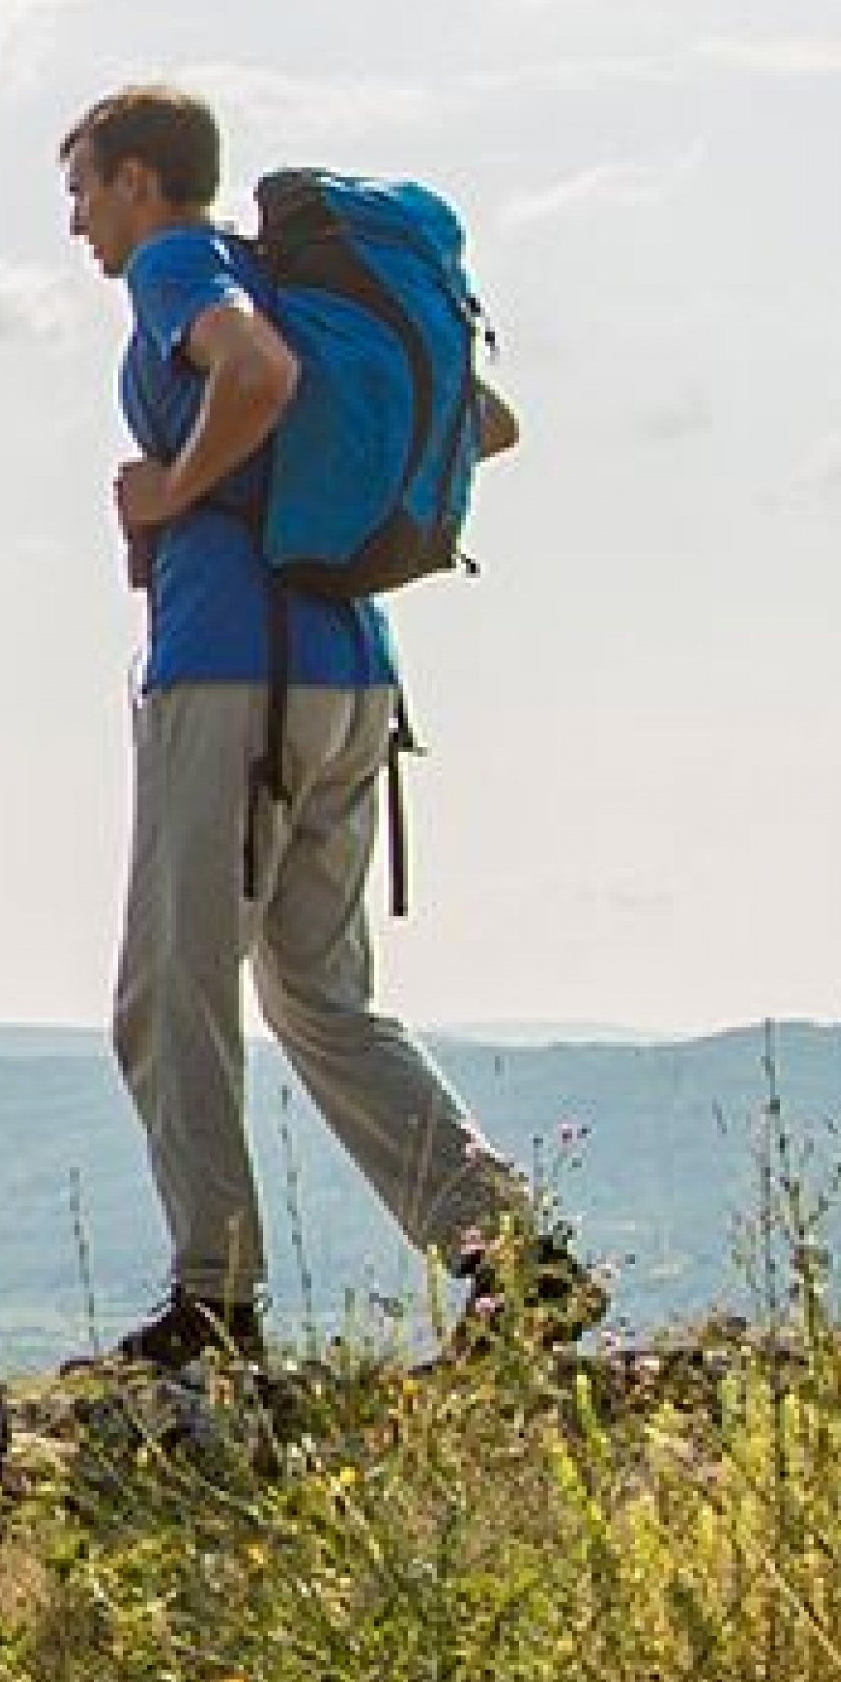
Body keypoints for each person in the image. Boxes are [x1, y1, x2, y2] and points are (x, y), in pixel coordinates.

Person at [58, 83, 599, 1367]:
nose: (77, 223)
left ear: (141, 179)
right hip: (353, 677)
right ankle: (517, 1259)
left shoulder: (185, 262)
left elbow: (253, 370)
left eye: (84, 189)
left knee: (169, 988)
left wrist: (173, 493)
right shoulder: (310, 284)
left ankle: (215, 1299)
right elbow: (488, 421)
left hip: (228, 671)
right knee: (320, 995)